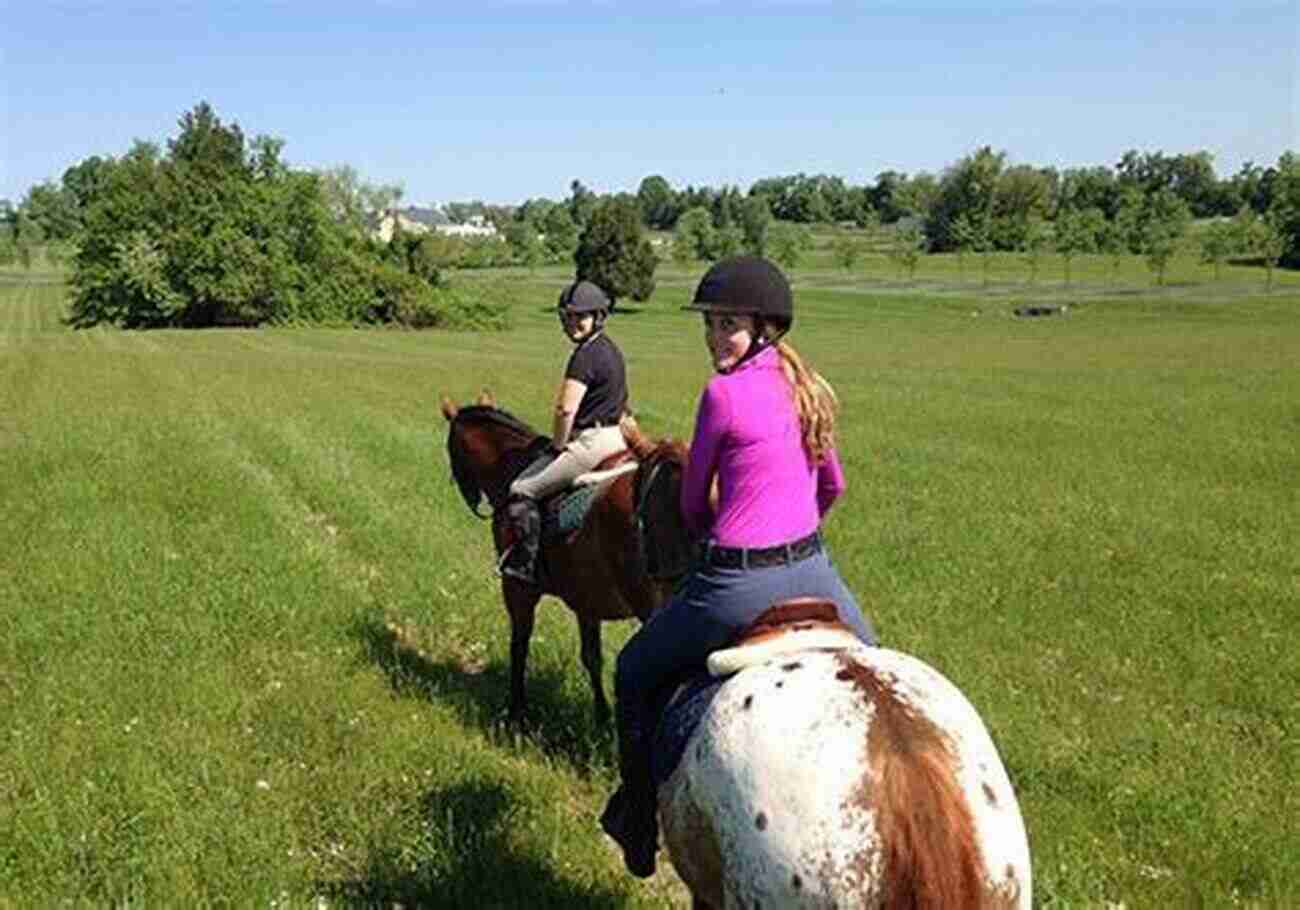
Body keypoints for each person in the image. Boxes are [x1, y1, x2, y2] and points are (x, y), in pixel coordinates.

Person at [600, 255, 877, 877]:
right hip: (815, 571)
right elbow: (832, 486)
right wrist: (794, 534)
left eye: (728, 324)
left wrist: (731, 536)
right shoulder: (807, 386)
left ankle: (639, 822)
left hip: (734, 583)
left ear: (763, 327)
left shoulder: (720, 394)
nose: (715, 337)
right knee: (874, 665)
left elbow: (696, 505)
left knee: (634, 669)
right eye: (710, 324)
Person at [500, 279, 629, 584]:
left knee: (521, 490)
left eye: (580, 317)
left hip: (592, 442)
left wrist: (558, 445)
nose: (573, 323)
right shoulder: (611, 349)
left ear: (597, 316)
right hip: (618, 438)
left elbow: (565, 410)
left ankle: (525, 567)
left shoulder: (584, 356)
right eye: (568, 317)